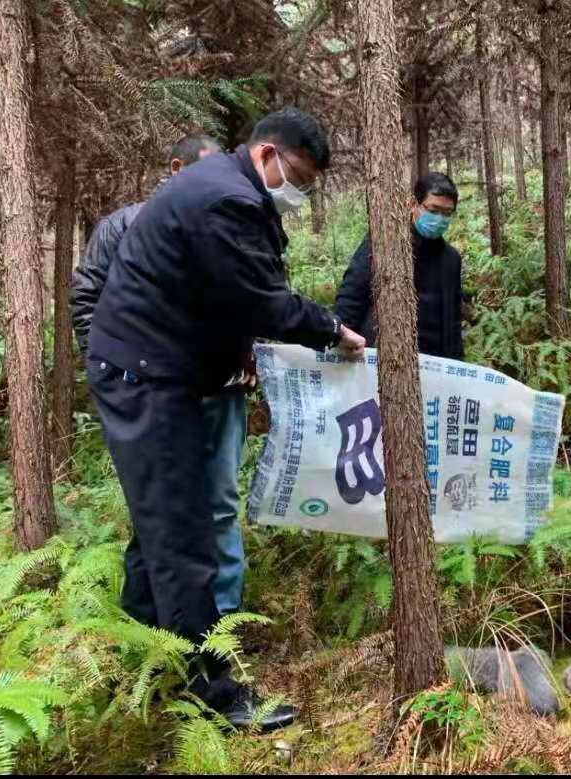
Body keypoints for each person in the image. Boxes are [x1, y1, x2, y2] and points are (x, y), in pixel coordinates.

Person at [85, 108, 365, 731]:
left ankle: (142, 661)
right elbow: (259, 300)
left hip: (160, 371)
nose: (300, 193)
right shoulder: (226, 200)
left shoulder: (225, 190)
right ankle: (210, 696)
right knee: (184, 536)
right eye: (298, 177)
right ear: (266, 154)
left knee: (159, 527)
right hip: (146, 377)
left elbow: (217, 295)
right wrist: (331, 328)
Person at [71, 135, 251, 621]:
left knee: (219, 501)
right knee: (161, 505)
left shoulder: (228, 226)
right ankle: (152, 620)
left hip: (221, 388)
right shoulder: (123, 225)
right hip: (154, 389)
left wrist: (246, 354)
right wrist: (114, 375)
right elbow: (87, 300)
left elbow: (247, 298)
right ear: (176, 168)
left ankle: (224, 617)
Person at [335, 171, 464, 360]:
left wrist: (456, 360)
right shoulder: (383, 244)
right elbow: (351, 296)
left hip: (435, 362)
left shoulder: (451, 259)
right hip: (385, 359)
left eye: (447, 213)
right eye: (433, 210)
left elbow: (453, 320)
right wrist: (342, 338)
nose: (439, 219)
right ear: (413, 205)